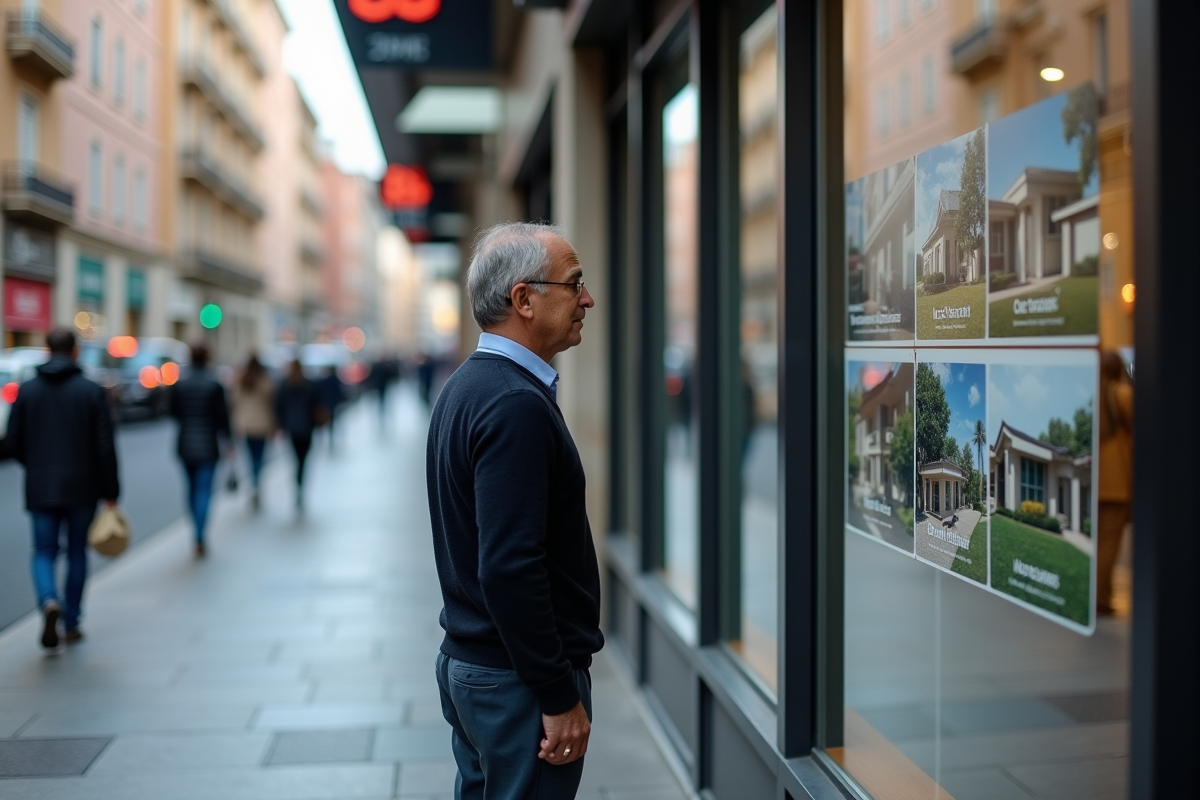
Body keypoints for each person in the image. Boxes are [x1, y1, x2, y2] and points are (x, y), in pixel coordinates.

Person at [426, 222, 602, 800]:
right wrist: (557, 693)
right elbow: (509, 566)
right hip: (515, 683)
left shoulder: (468, 387)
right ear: (524, 299)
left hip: (483, 670)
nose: (587, 299)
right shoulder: (513, 404)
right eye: (574, 284)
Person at [4, 328, 120, 649]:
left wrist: (36, 464)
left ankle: (48, 600)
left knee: (43, 550)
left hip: (41, 484)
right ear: (74, 352)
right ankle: (72, 621)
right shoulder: (91, 391)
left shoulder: (27, 391)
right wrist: (111, 491)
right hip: (83, 486)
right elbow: (105, 446)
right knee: (77, 551)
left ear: (46, 349)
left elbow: (12, 442)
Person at [169, 342, 231, 559]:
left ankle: (195, 530)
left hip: (186, 443)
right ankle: (200, 534)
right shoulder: (214, 384)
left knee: (192, 489)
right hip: (208, 444)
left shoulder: (180, 384)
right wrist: (229, 442)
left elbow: (173, 412)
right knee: (204, 490)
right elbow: (223, 417)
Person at [1097, 350, 1133, 615]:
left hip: (1094, 479)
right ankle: (1101, 598)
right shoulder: (1121, 393)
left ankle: (1099, 595)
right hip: (1116, 480)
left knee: (1097, 542)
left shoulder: (1092, 393)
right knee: (1110, 543)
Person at [275, 359, 323, 512]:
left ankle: (298, 484)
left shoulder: (285, 384)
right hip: (306, 427)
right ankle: (300, 485)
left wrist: (281, 425)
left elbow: (279, 406)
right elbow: (316, 405)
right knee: (303, 460)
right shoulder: (309, 384)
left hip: (292, 428)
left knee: (296, 459)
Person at [232, 352, 275, 511]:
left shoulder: (241, 381)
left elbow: (234, 402)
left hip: (245, 425)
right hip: (262, 425)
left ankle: (254, 482)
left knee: (250, 457)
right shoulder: (264, 381)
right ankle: (257, 483)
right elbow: (271, 402)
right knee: (260, 458)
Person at [317, 365, 344, 449]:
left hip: (328, 403)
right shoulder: (336, 380)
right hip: (333, 403)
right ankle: (331, 435)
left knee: (330, 420)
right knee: (333, 420)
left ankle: (328, 436)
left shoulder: (325, 380)